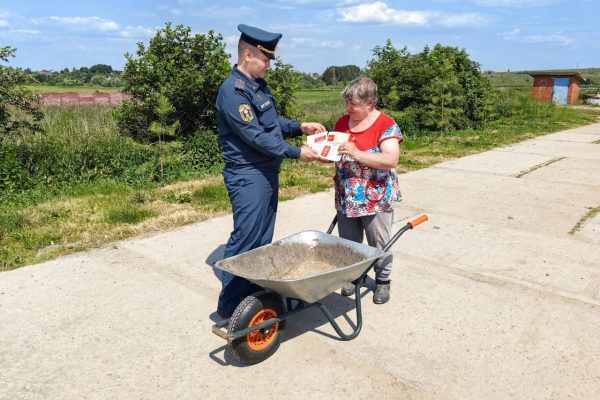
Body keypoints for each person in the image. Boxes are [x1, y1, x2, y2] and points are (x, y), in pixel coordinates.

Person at [215, 24, 325, 318]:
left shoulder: (256, 86)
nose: (269, 65)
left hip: (265, 173)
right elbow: (256, 137)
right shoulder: (233, 92)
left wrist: (299, 126)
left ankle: (252, 295)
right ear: (248, 54)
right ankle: (229, 307)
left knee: (262, 240)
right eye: (265, 59)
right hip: (248, 175)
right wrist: (297, 152)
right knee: (246, 240)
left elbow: (271, 122)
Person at [333, 76, 402, 304]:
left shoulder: (386, 124)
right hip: (347, 195)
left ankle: (382, 281)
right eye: (346, 103)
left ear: (369, 103)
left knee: (378, 241)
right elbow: (336, 153)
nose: (347, 108)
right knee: (348, 242)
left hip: (375, 197)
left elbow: (391, 159)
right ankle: (354, 277)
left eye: (353, 104)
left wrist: (357, 153)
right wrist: (319, 152)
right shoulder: (343, 122)